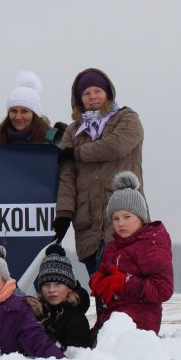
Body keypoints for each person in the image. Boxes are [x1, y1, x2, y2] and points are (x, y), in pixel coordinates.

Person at [54, 68, 145, 277]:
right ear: (79, 99)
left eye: (97, 91)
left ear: (108, 93)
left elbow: (116, 146)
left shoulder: (127, 118)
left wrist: (77, 153)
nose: (92, 97)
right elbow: (67, 177)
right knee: (102, 294)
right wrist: (64, 214)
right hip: (89, 228)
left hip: (126, 222)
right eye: (86, 93)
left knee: (128, 293)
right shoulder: (72, 131)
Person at [89, 172, 173, 333]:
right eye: (115, 218)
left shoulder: (152, 244)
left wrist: (125, 282)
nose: (121, 223)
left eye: (127, 216)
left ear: (140, 217)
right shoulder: (112, 247)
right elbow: (109, 282)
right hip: (109, 324)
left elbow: (163, 289)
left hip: (138, 329)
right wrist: (98, 281)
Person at [27, 244, 95, 350]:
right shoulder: (35, 313)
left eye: (58, 284)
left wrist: (46, 336)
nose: (51, 290)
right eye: (46, 284)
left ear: (70, 287)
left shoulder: (76, 320)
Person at [0, 71, 67, 146]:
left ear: (35, 114)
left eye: (24, 111)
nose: (18, 117)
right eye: (13, 111)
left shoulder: (53, 143)